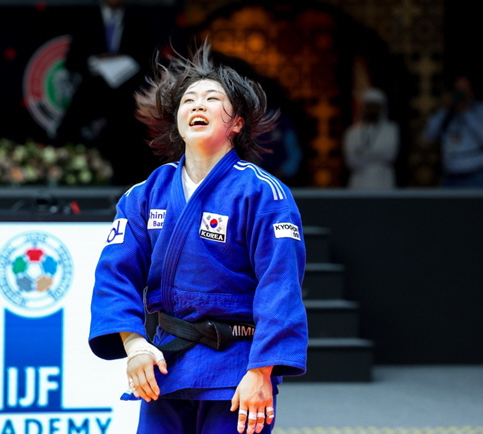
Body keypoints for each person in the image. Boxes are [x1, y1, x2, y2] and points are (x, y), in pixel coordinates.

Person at [88, 41, 308, 434]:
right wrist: (134, 344)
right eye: (188, 100)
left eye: (212, 98)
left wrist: (262, 371)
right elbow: (114, 275)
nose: (197, 105)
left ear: (237, 123)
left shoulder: (262, 193)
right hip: (166, 364)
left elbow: (281, 286)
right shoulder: (145, 194)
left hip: (236, 367)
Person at [55, 0, 158, 185]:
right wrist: (95, 61)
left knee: (131, 138)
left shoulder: (138, 18)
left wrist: (123, 60)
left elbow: (148, 58)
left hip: (127, 96)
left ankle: (129, 185)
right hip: (92, 91)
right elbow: (73, 60)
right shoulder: (86, 17)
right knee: (68, 131)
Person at [425, 75, 483, 187]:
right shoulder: (447, 112)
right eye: (457, 90)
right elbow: (429, 135)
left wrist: (466, 112)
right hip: (450, 175)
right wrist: (443, 110)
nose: (460, 94)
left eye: (464, 90)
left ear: (471, 91)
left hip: (476, 175)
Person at [343, 88, 400, 189]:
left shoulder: (391, 130)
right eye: (369, 106)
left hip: (383, 181)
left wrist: (362, 153)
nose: (372, 110)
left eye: (375, 106)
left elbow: (389, 155)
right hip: (359, 182)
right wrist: (376, 154)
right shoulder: (353, 132)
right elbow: (351, 160)